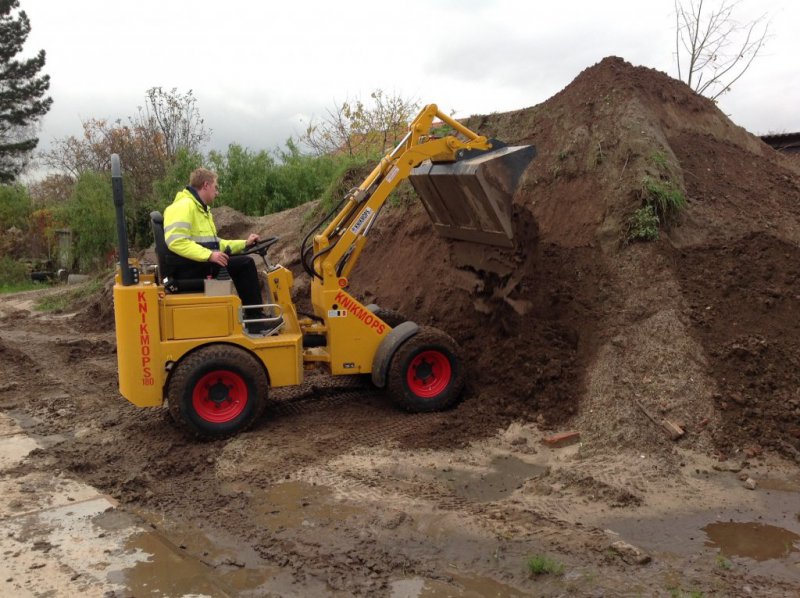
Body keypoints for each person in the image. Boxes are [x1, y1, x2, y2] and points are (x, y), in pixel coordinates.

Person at [163, 168, 270, 334]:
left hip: (197, 264)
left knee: (242, 261)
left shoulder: (201, 209)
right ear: (206, 185)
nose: (217, 192)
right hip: (188, 269)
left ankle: (253, 317)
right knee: (245, 264)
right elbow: (176, 241)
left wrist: (245, 244)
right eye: (215, 187)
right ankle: (255, 320)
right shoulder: (184, 206)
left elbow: (216, 244)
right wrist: (209, 255)